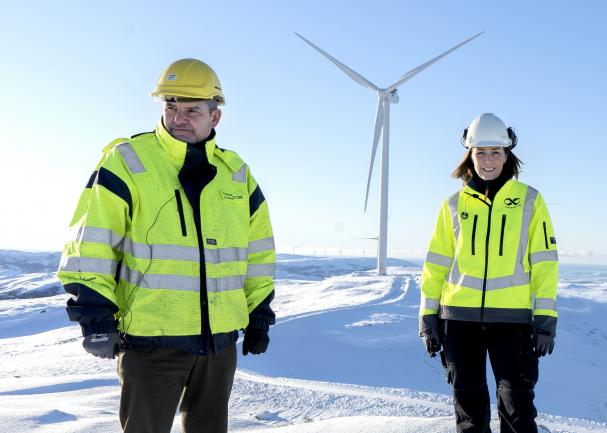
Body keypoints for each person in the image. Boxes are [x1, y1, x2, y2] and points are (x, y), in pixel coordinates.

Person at [57, 58, 276, 433]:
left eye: (192, 110)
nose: (179, 118)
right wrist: (94, 314)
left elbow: (257, 254)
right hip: (150, 344)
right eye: (171, 107)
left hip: (218, 346)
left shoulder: (237, 174)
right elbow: (91, 241)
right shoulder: (127, 161)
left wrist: (258, 313)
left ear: (215, 117)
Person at [419, 113, 558, 433]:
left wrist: (546, 317)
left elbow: (545, 262)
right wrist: (428, 316)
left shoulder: (530, 201)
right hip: (458, 321)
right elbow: (436, 264)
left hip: (513, 323)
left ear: (508, 154)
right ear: (469, 155)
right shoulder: (452, 205)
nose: (488, 159)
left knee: (518, 410)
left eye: (495, 151)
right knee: (468, 413)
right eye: (480, 152)